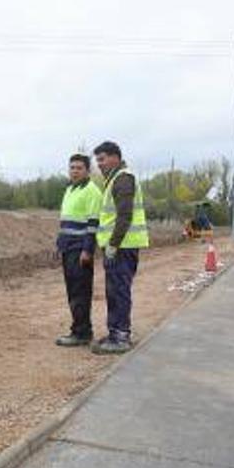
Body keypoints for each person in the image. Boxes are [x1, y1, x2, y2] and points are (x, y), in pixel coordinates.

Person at [92, 141, 150, 354]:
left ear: (115, 157)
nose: (99, 164)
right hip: (117, 246)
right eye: (97, 160)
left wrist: (113, 245)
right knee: (113, 291)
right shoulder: (114, 179)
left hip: (122, 247)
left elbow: (124, 216)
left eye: (102, 159)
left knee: (119, 290)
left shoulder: (123, 179)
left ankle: (121, 336)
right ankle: (114, 332)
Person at [54, 153, 104, 346]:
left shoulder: (92, 191)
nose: (74, 171)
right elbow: (66, 222)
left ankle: (82, 333)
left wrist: (88, 250)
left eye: (79, 168)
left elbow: (93, 224)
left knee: (80, 292)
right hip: (68, 248)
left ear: (87, 170)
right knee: (72, 291)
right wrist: (59, 245)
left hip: (80, 250)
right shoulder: (70, 190)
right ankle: (79, 329)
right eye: (72, 167)